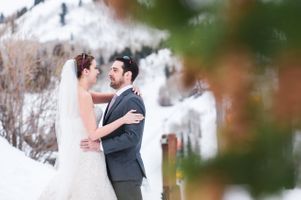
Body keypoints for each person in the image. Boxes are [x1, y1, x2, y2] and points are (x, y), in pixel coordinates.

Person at [38, 53, 144, 200]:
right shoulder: (83, 96)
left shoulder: (80, 93)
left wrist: (130, 87)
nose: (99, 71)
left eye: (114, 70)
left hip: (87, 155)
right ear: (86, 71)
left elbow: (114, 97)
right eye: (95, 68)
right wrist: (123, 119)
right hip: (88, 155)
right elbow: (94, 134)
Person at [80, 56, 146, 200]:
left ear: (127, 75)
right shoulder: (117, 97)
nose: (109, 73)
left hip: (125, 174)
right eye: (110, 69)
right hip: (112, 172)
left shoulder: (133, 100)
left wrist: (101, 146)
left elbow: (132, 137)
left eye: (115, 70)